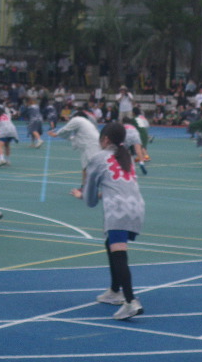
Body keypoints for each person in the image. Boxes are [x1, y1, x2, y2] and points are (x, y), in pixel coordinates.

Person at [71, 122, 145, 321]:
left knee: (119, 252)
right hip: (137, 208)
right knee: (111, 245)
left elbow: (91, 200)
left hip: (118, 211)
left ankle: (130, 301)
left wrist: (81, 195)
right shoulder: (126, 158)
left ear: (104, 139)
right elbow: (119, 187)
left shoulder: (98, 158)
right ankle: (114, 291)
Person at [49, 106, 102, 192]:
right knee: (86, 168)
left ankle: (92, 188)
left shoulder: (77, 120)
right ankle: (84, 188)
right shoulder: (86, 125)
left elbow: (66, 129)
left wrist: (56, 134)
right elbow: (73, 137)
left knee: (92, 168)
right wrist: (58, 135)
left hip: (91, 146)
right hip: (91, 146)